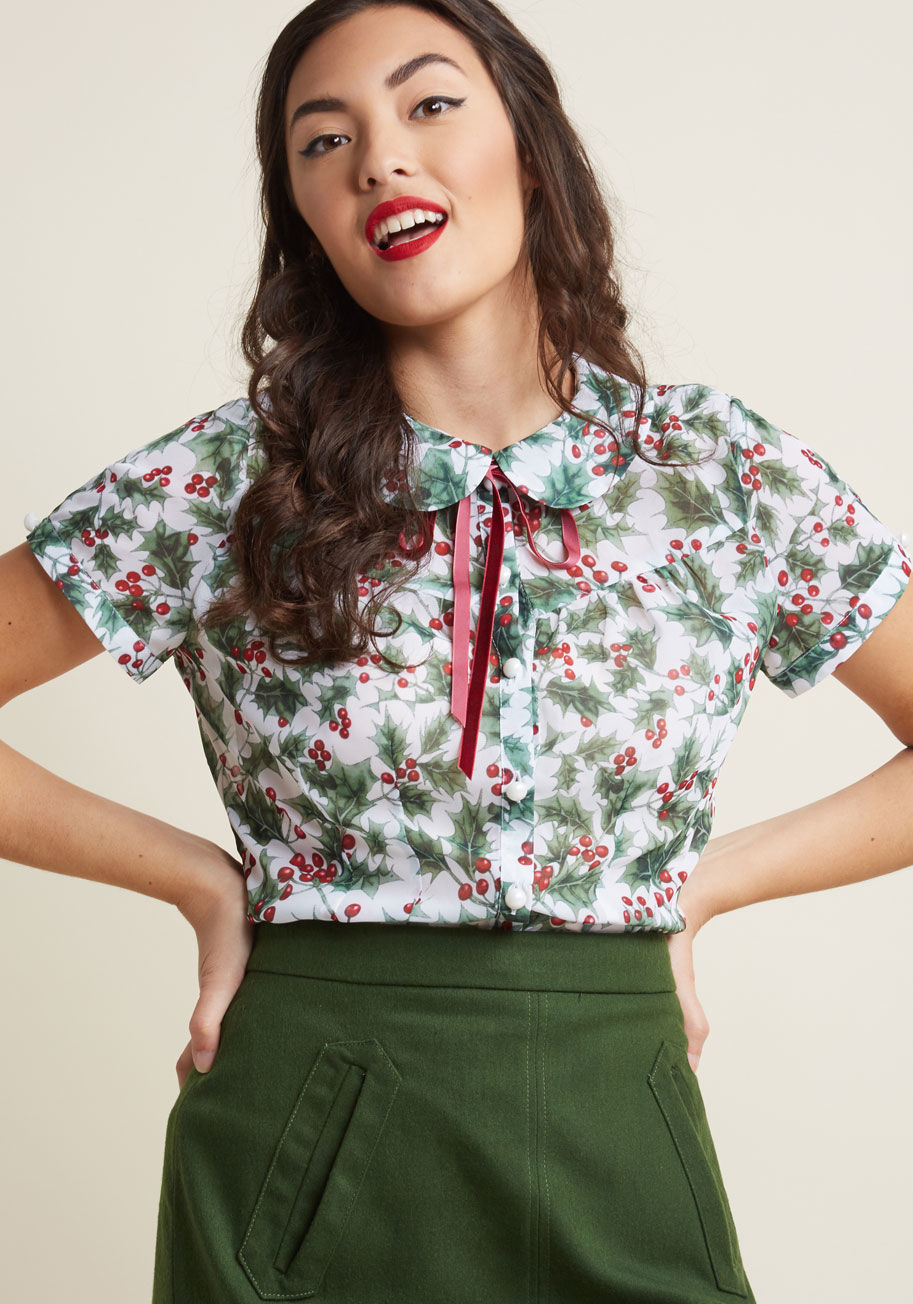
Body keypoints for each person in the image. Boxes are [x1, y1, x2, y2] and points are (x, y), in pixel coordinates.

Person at [3, 0, 912, 1300]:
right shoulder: (227, 479)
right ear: (306, 215)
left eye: (428, 105)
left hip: (615, 1097)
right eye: (323, 142)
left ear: (530, 150)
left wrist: (701, 886)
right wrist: (200, 881)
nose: (377, 159)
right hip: (309, 1109)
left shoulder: (718, 474)